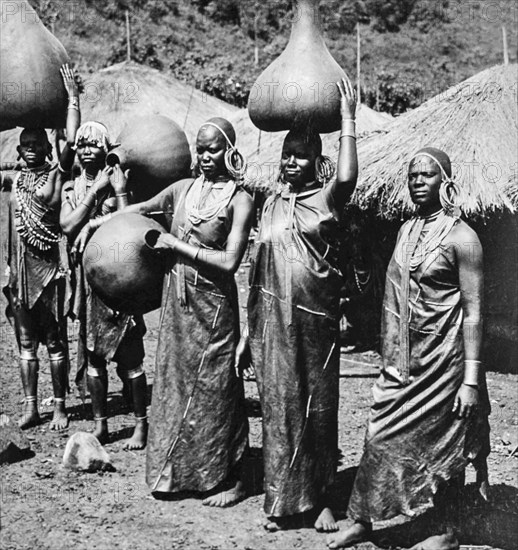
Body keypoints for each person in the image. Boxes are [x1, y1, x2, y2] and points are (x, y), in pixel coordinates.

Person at [73, 117, 254, 507]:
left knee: (217, 388)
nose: (206, 157)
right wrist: (99, 221)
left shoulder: (240, 200)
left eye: (214, 149)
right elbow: (140, 208)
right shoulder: (183, 190)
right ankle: (181, 472)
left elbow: (228, 262)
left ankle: (232, 476)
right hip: (178, 303)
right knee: (175, 385)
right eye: (201, 149)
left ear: (230, 151)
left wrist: (176, 246)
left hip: (215, 307)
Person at [327, 147, 490, 549]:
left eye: (427, 175)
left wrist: (470, 380)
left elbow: (474, 314)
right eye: (412, 175)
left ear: (445, 183)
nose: (418, 181)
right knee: (377, 432)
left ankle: (446, 531)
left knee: (445, 440)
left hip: (445, 363)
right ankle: (362, 520)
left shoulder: (463, 238)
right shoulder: (406, 230)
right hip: (403, 361)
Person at [244, 76, 358, 532]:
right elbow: (254, 272)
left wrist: (347, 119)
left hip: (315, 325)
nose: (291, 161)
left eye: (301, 156)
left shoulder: (326, 201)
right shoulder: (269, 204)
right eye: (286, 154)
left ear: (317, 162)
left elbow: (348, 176)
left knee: (318, 409)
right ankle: (284, 502)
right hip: (271, 324)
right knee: (279, 408)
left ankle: (324, 499)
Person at [60, 121, 148, 450]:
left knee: (129, 354)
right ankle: (101, 425)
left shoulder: (119, 180)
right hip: (87, 279)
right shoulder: (72, 187)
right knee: (94, 354)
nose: (85, 150)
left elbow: (128, 217)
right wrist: (95, 193)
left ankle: (140, 425)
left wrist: (96, 221)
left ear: (106, 148)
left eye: (94, 145)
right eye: (81, 144)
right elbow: (68, 225)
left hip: (119, 274)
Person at [3, 64, 79, 431]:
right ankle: (32, 407)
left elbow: (72, 142)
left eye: (38, 146)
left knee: (55, 341)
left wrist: (73, 100)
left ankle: (61, 407)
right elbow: (10, 233)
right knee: (25, 343)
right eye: (26, 146)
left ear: (47, 148)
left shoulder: (55, 175)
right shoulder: (14, 181)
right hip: (19, 271)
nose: (31, 151)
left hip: (48, 269)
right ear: (18, 150)